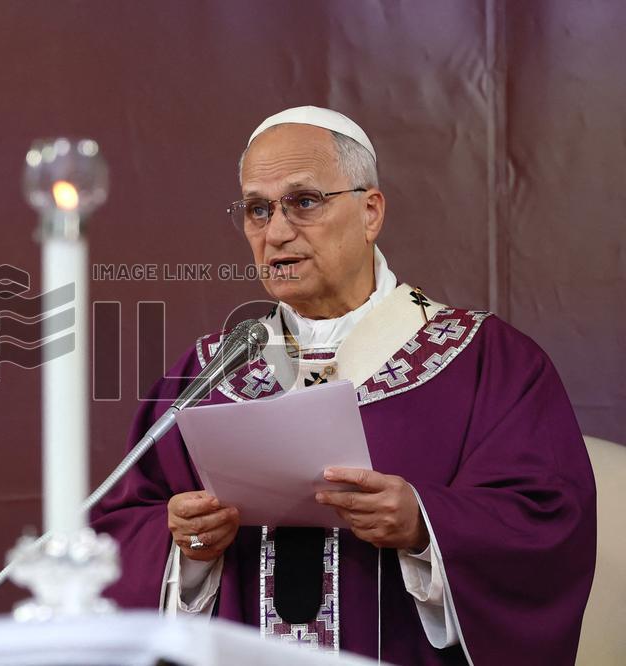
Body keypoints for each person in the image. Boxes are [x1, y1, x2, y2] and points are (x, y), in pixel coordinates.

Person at [90, 106, 596, 665]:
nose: (276, 232)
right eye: (257, 209)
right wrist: (184, 546)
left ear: (370, 211)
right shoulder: (209, 373)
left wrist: (424, 524)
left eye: (304, 202)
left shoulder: (486, 361)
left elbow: (548, 528)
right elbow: (121, 531)